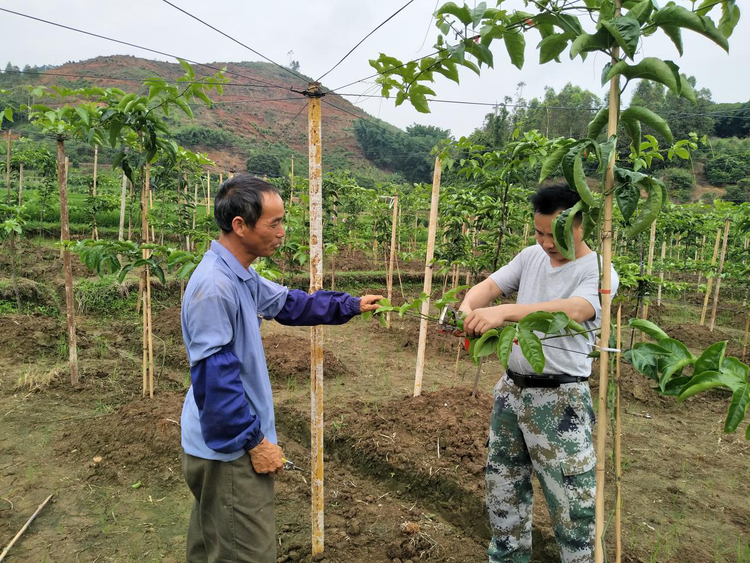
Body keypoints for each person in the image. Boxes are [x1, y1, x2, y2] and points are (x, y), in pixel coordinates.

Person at [179, 175, 382, 563]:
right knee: (245, 553)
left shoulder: (240, 275)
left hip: (216, 443)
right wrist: (255, 443)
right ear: (240, 225)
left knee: (212, 545)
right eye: (274, 223)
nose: (282, 232)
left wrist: (350, 305)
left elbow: (290, 305)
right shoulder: (216, 286)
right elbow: (215, 379)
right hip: (229, 451)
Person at [459, 183, 619, 563]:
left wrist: (505, 312)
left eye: (555, 234)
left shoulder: (599, 270)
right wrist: (469, 307)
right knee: (504, 494)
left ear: (580, 227)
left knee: (572, 509)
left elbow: (576, 310)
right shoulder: (530, 256)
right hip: (511, 394)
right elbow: (490, 286)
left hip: (560, 402)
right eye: (539, 232)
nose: (547, 242)